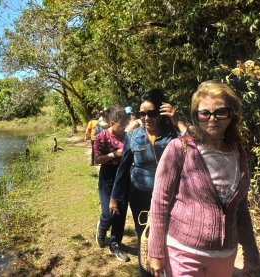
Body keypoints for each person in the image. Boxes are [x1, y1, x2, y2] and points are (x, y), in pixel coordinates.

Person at [148, 81, 260, 277]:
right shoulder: (179, 148)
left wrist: (251, 253)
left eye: (220, 112)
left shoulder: (239, 155)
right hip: (183, 252)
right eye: (204, 113)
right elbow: (160, 201)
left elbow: (241, 210)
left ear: (232, 114)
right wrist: (156, 251)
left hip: (225, 256)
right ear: (196, 116)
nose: (212, 119)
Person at [109, 89, 187, 277]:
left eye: (151, 113)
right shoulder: (133, 136)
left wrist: (177, 120)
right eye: (141, 114)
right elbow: (123, 168)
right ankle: (146, 273)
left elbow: (197, 144)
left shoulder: (174, 133)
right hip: (141, 196)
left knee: (171, 238)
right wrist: (115, 196)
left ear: (160, 113)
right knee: (145, 237)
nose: (146, 118)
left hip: (172, 196)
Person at [94, 105, 130, 262]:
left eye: (125, 124)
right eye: (120, 124)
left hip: (123, 175)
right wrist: (113, 154)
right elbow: (97, 160)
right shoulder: (101, 137)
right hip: (108, 175)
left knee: (120, 213)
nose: (123, 128)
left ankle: (115, 244)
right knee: (108, 213)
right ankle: (102, 229)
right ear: (112, 122)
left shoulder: (128, 136)